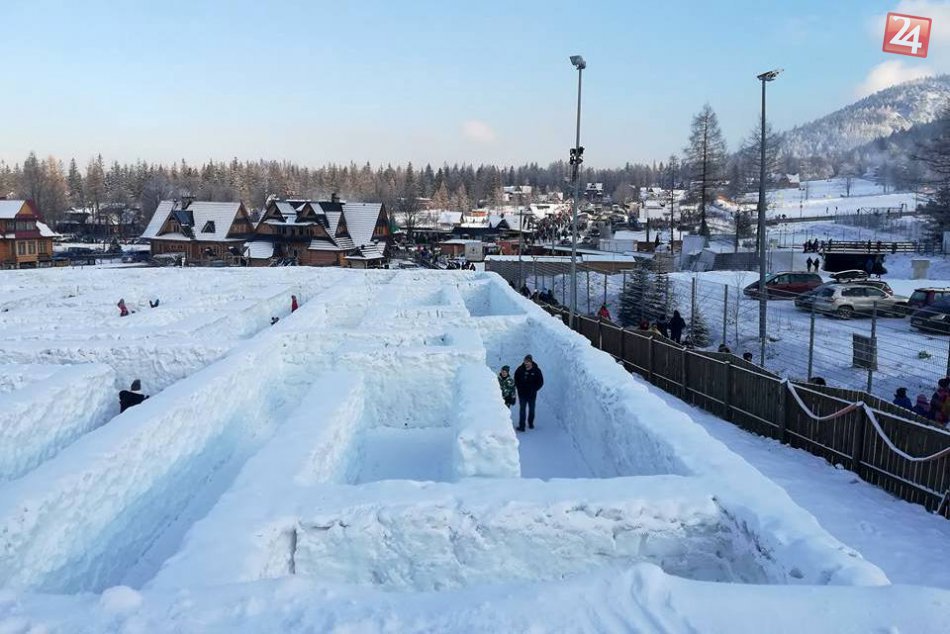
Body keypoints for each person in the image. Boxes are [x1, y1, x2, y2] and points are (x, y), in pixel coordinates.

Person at [514, 354, 544, 432]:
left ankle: (530, 423)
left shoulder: (536, 370)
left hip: (532, 394)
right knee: (522, 410)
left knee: (531, 409)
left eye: (528, 362)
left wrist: (534, 389)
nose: (526, 363)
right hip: (522, 394)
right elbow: (516, 379)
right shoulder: (520, 369)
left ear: (531, 362)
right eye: (525, 362)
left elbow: (540, 382)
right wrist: (519, 388)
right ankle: (522, 426)